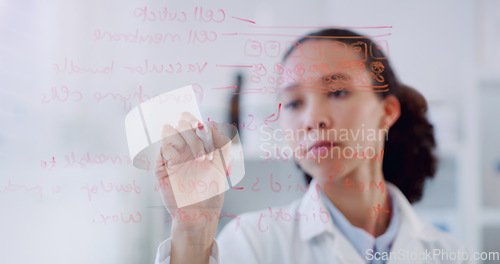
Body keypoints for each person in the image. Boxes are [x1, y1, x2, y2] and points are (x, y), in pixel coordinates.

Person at [153, 29, 468, 264]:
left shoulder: (453, 255)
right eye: (293, 103)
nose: (313, 118)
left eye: (338, 92)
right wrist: (193, 234)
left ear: (387, 112)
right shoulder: (253, 242)